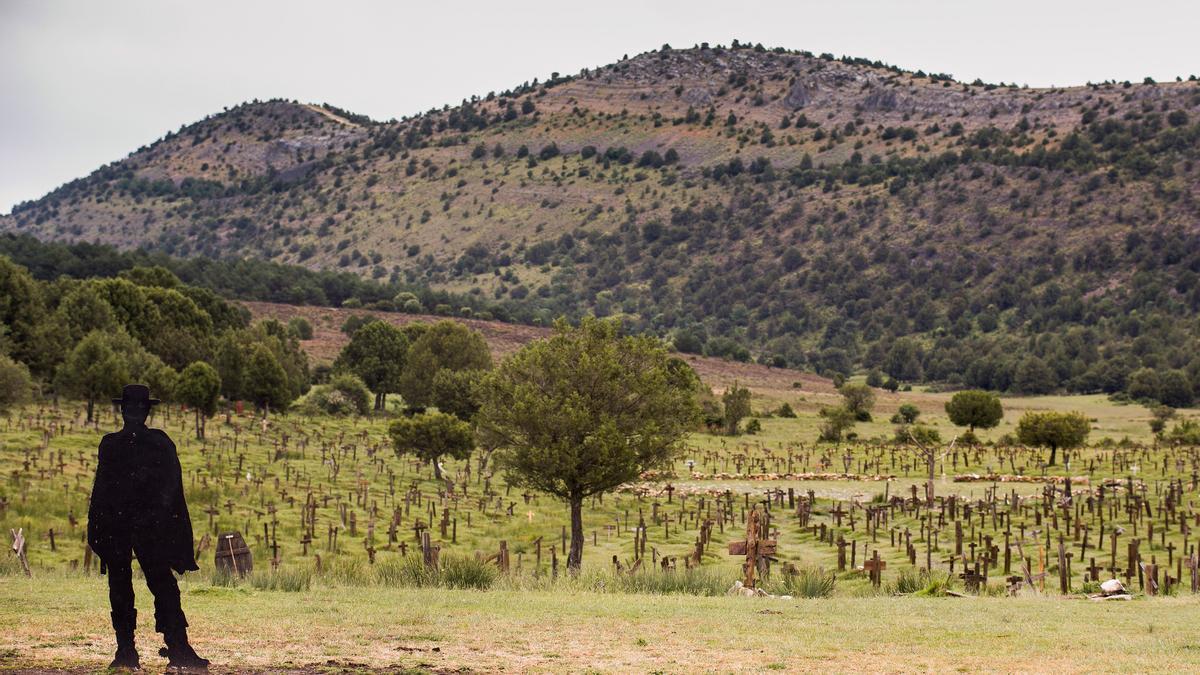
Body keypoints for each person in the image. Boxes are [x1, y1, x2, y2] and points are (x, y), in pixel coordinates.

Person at [87, 384, 209, 670]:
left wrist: (156, 522)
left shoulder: (157, 443)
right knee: (123, 586)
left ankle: (176, 648)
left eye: (137, 407)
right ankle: (128, 651)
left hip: (147, 528)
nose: (133, 412)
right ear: (123, 409)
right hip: (123, 528)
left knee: (161, 584)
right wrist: (102, 528)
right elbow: (102, 489)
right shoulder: (114, 444)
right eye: (130, 407)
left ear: (144, 410)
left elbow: (169, 490)